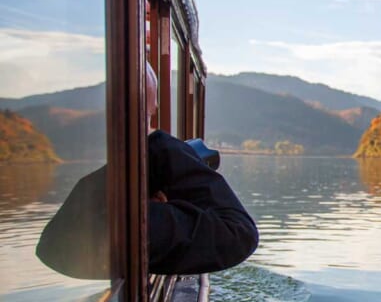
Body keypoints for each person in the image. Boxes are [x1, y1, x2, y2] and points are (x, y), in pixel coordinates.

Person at [36, 63, 258, 277]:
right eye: (150, 116)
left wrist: (164, 211)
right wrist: (161, 147)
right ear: (150, 108)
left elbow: (51, 249)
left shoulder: (96, 202)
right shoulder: (119, 213)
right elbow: (239, 235)